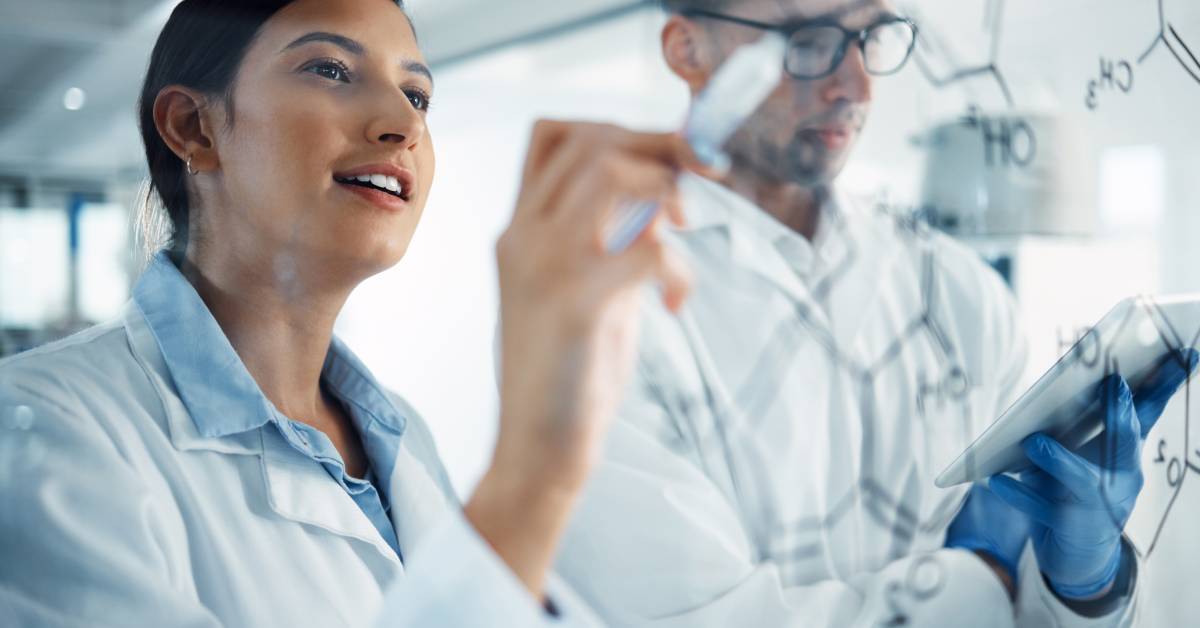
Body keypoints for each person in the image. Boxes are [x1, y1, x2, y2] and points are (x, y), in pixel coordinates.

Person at [0, 0, 711, 625]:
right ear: (194, 127)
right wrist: (534, 469)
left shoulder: (399, 437)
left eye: (418, 94)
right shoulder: (40, 433)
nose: (402, 121)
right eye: (331, 71)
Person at [552, 1, 1194, 626]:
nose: (855, 83)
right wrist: (988, 581)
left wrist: (1083, 587)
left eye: (872, 35)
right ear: (688, 50)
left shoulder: (961, 292)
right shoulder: (590, 306)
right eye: (807, 39)